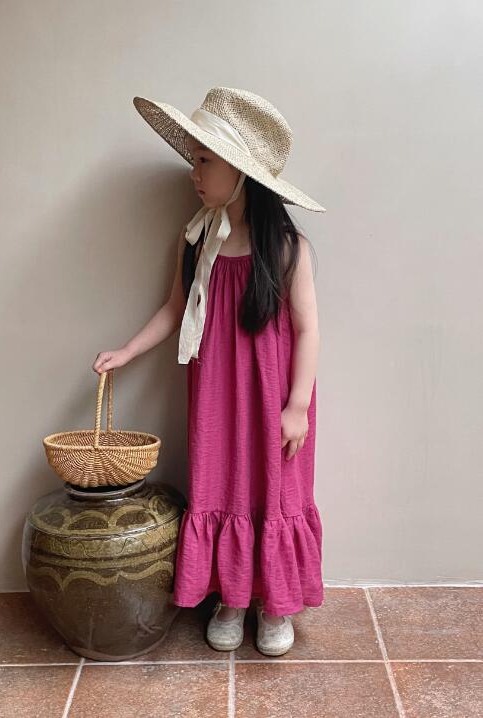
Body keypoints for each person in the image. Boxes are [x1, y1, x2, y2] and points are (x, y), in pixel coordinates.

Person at [93, 87, 325, 656]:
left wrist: (297, 406)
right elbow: (174, 309)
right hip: (217, 392)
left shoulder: (288, 249)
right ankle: (232, 597)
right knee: (221, 482)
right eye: (194, 159)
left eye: (204, 160)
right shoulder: (198, 241)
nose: (193, 173)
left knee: (274, 490)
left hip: (273, 396)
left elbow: (308, 330)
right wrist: (127, 351)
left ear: (240, 170)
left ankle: (274, 602)